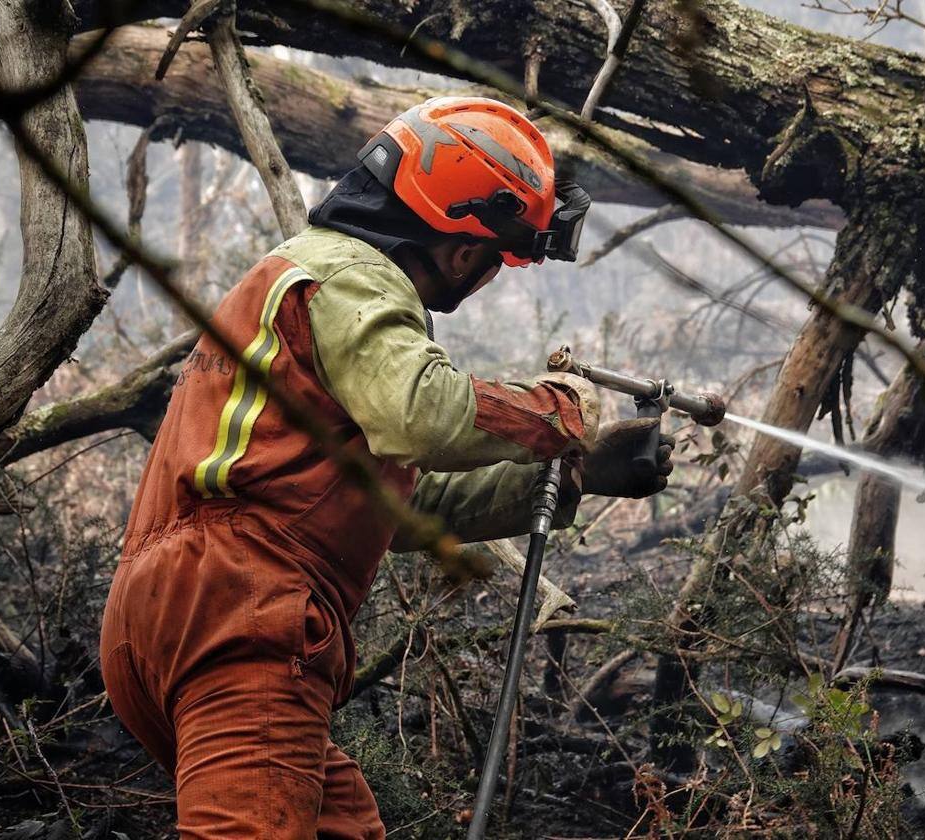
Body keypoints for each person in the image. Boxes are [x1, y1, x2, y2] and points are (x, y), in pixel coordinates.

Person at [99, 96, 673, 839]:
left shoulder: (320, 292)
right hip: (242, 614)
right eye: (495, 259)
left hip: (183, 611)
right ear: (465, 248)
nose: (486, 277)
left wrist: (576, 473)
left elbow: (405, 503)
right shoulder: (350, 276)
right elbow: (422, 413)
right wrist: (556, 409)